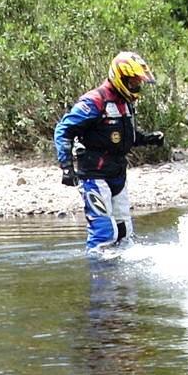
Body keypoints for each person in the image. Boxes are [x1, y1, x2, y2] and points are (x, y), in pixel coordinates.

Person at [54, 51, 163, 250]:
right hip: (94, 174)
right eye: (132, 82)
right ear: (120, 78)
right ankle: (99, 276)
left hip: (117, 172)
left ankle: (122, 279)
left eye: (137, 82)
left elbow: (119, 136)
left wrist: (148, 139)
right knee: (104, 232)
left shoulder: (125, 103)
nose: (136, 86)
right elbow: (63, 130)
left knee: (124, 231)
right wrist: (66, 166)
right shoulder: (94, 101)